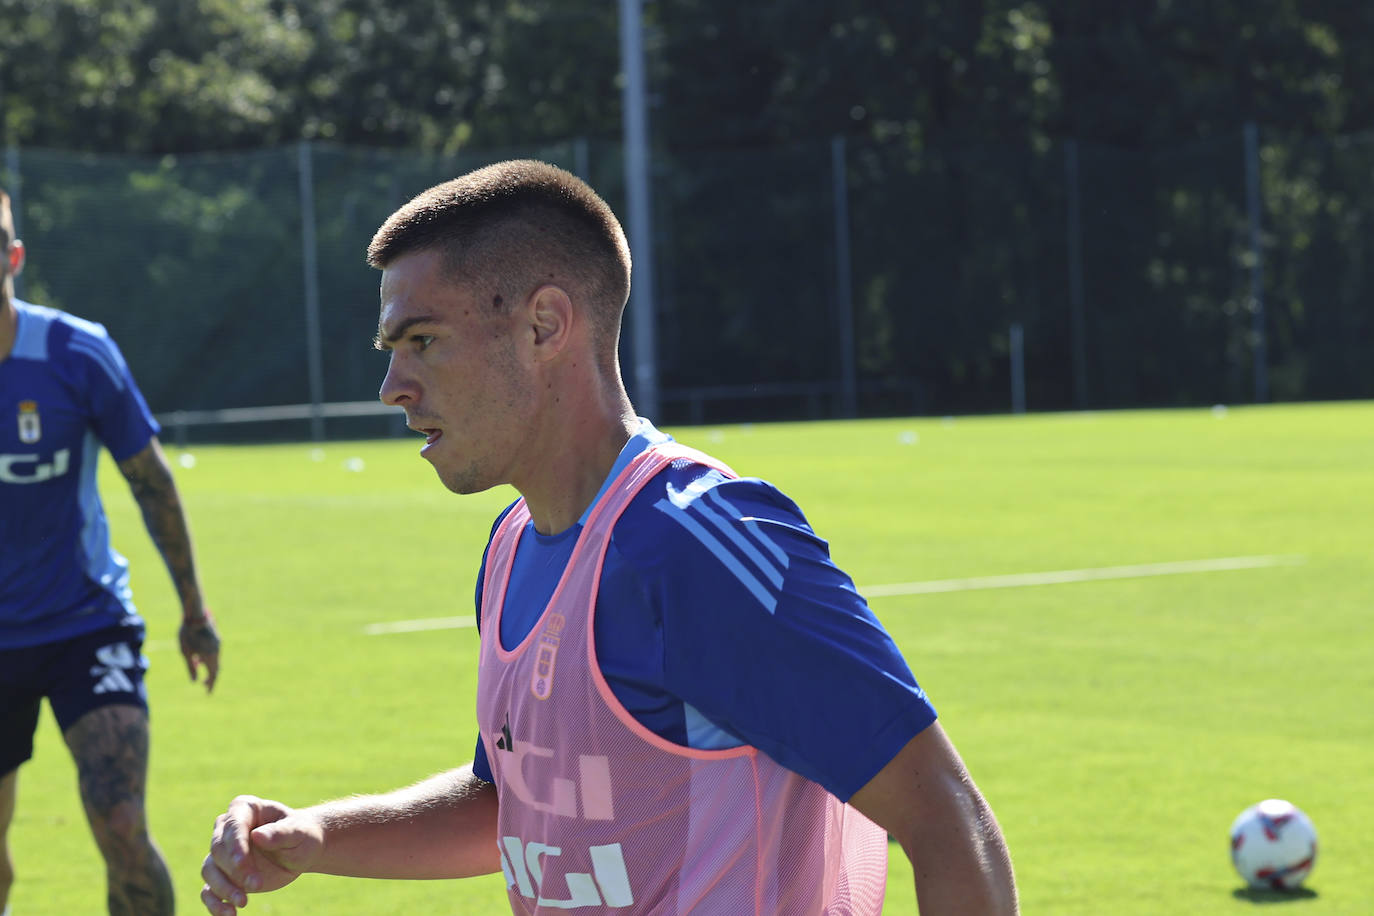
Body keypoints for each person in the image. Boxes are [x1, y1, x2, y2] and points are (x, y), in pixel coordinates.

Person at [200, 160, 1017, 915]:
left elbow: (946, 819)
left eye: (422, 342)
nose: (391, 388)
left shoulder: (697, 541)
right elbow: (521, 807)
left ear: (545, 324)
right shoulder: (513, 546)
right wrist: (317, 837)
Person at [0, 187, 222, 916]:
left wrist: (193, 610)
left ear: (15, 256)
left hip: (85, 623)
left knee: (122, 825)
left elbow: (151, 483)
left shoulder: (76, 352)